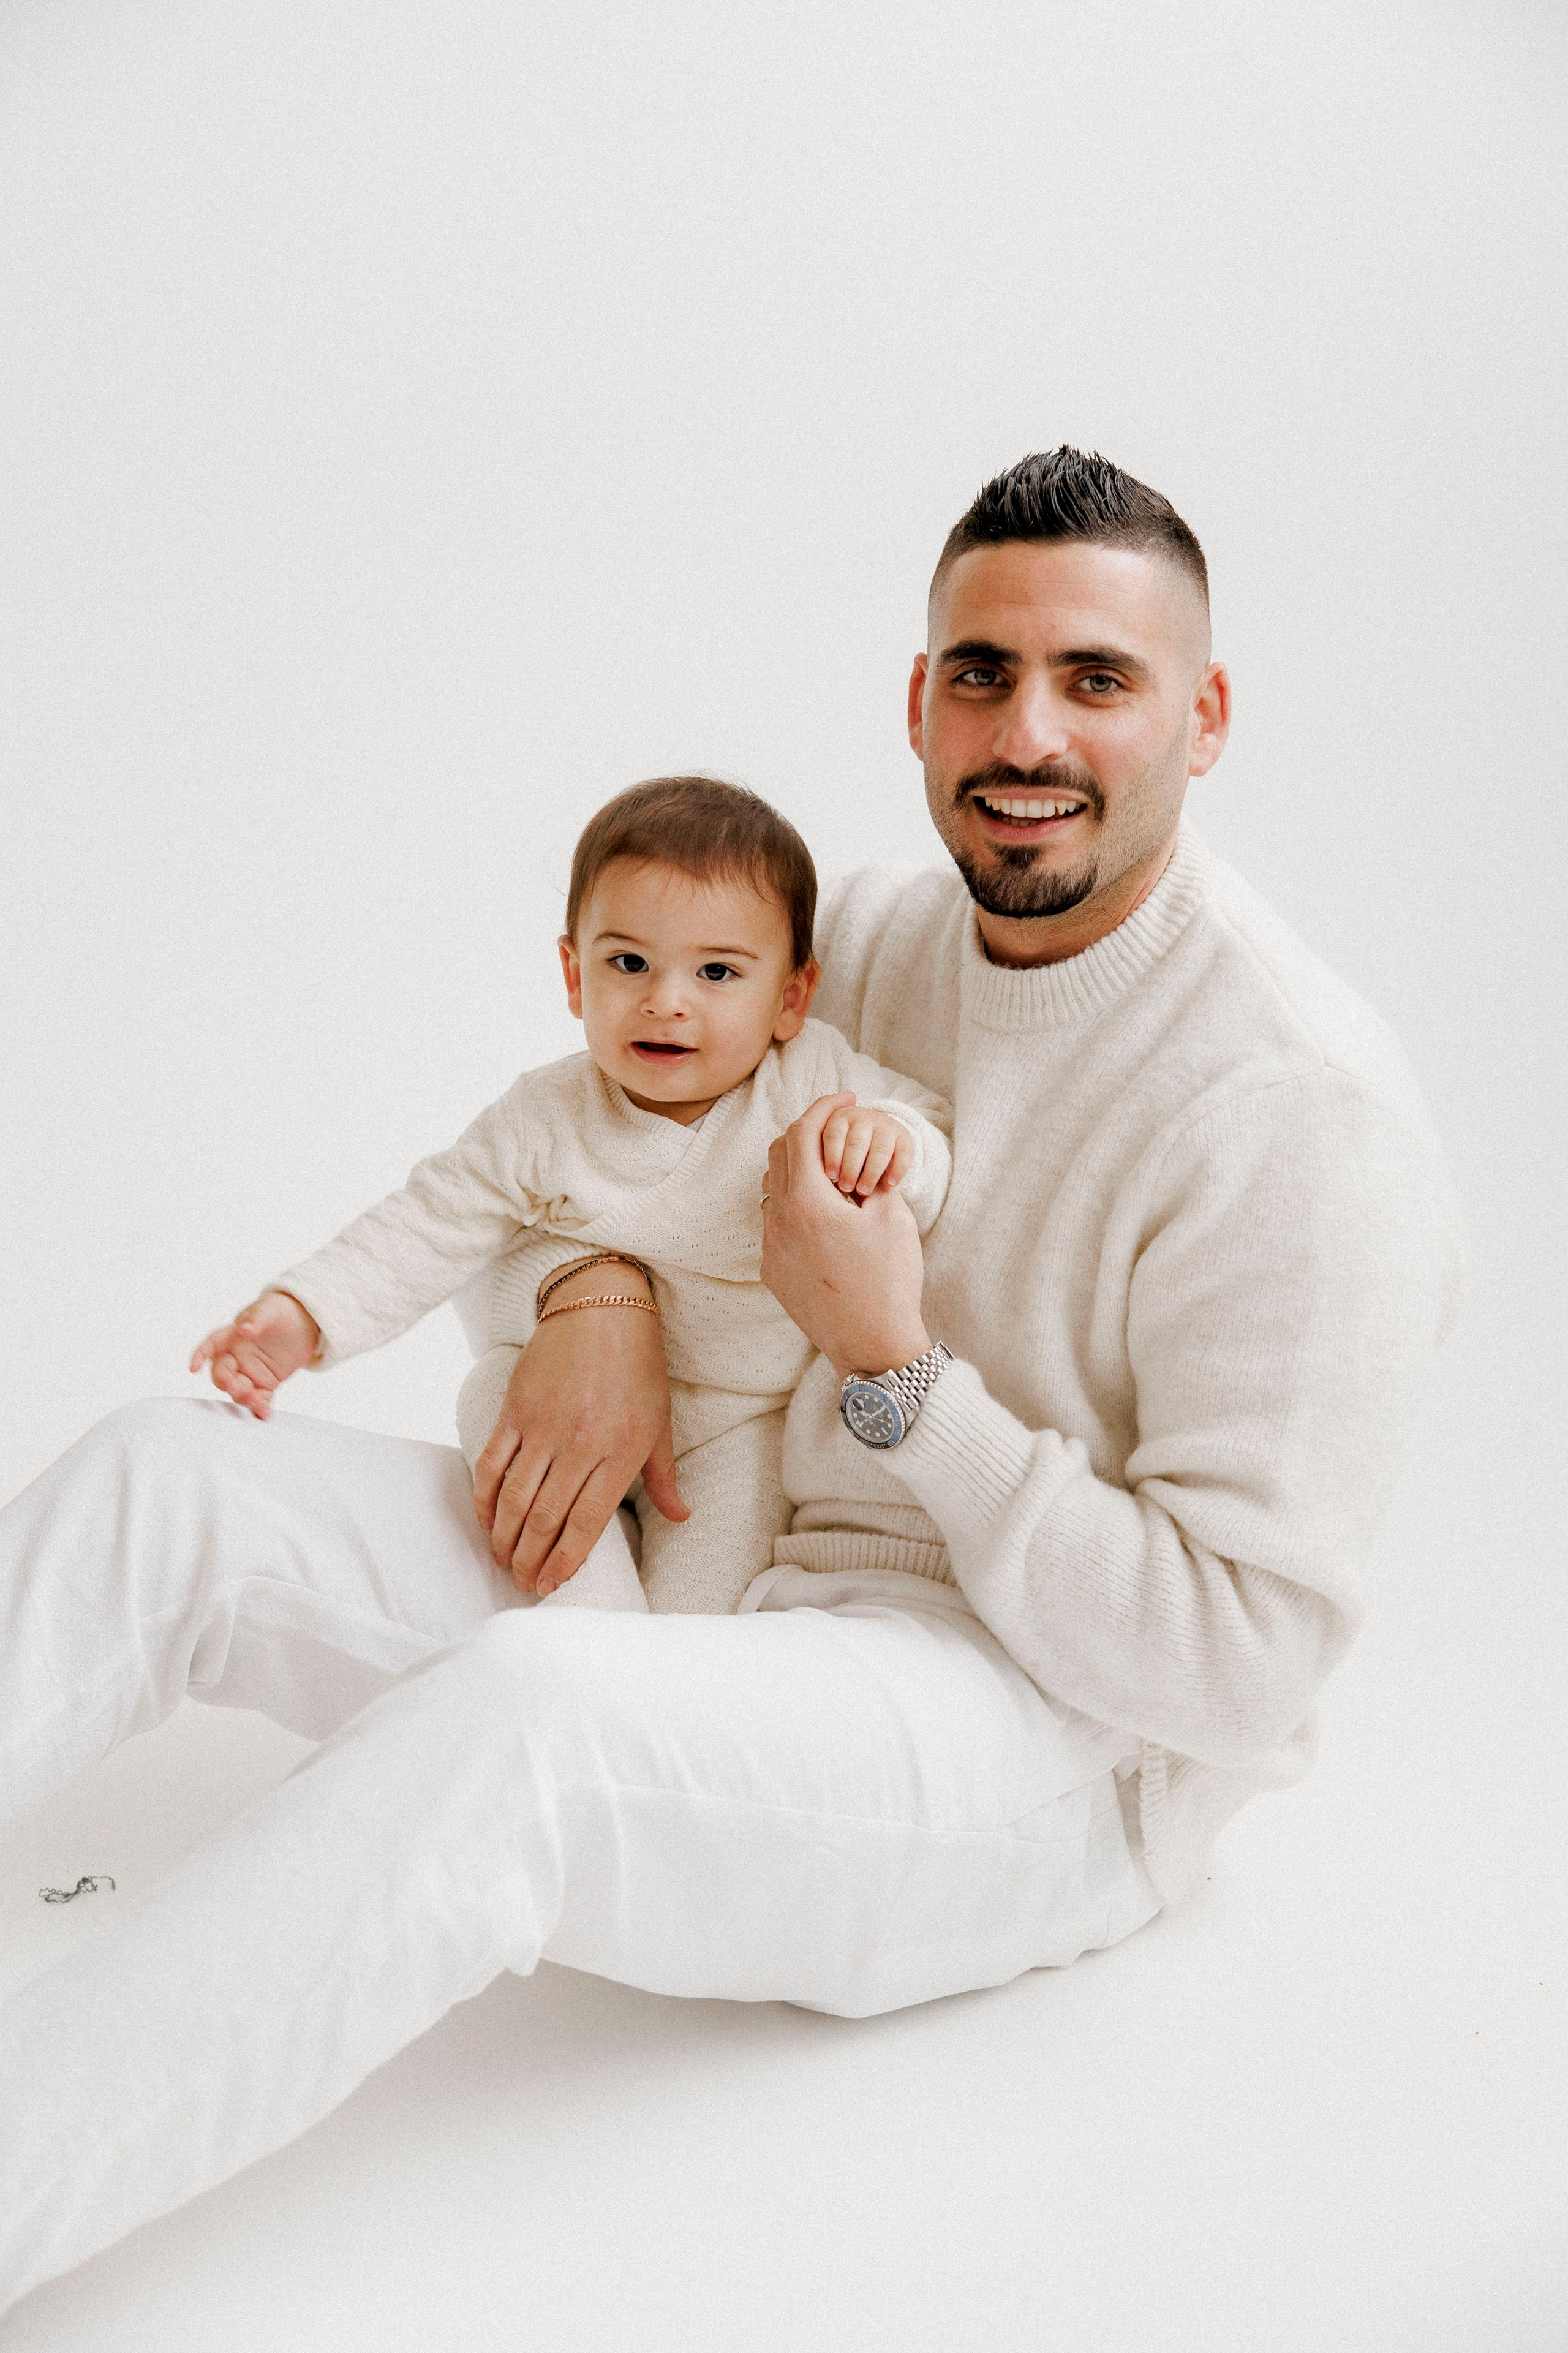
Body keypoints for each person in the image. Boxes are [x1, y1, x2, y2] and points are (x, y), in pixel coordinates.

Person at [0, 447, 1460, 2312]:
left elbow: (1234, 1674)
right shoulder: (861, 937)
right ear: (917, 701)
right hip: (700, 1570)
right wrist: (592, 1292)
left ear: (1208, 713)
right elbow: (577, 1153)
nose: (1031, 731)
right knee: (167, 1475)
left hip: (1026, 1735)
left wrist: (896, 1373)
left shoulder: (1303, 1116)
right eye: (983, 672)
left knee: (530, 1712)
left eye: (1100, 678)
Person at [188, 774, 951, 1617]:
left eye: (717, 972)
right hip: (555, 1393)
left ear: (791, 998)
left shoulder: (813, 1081)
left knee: (698, 1625)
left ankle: (635, 1687)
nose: (667, 999)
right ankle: (583, 1622)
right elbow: (429, 1221)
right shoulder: (547, 1116)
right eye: (629, 963)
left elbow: (931, 1125)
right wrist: (301, 1313)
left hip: (734, 1431)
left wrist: (895, 1142)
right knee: (525, 1471)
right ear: (574, 974)